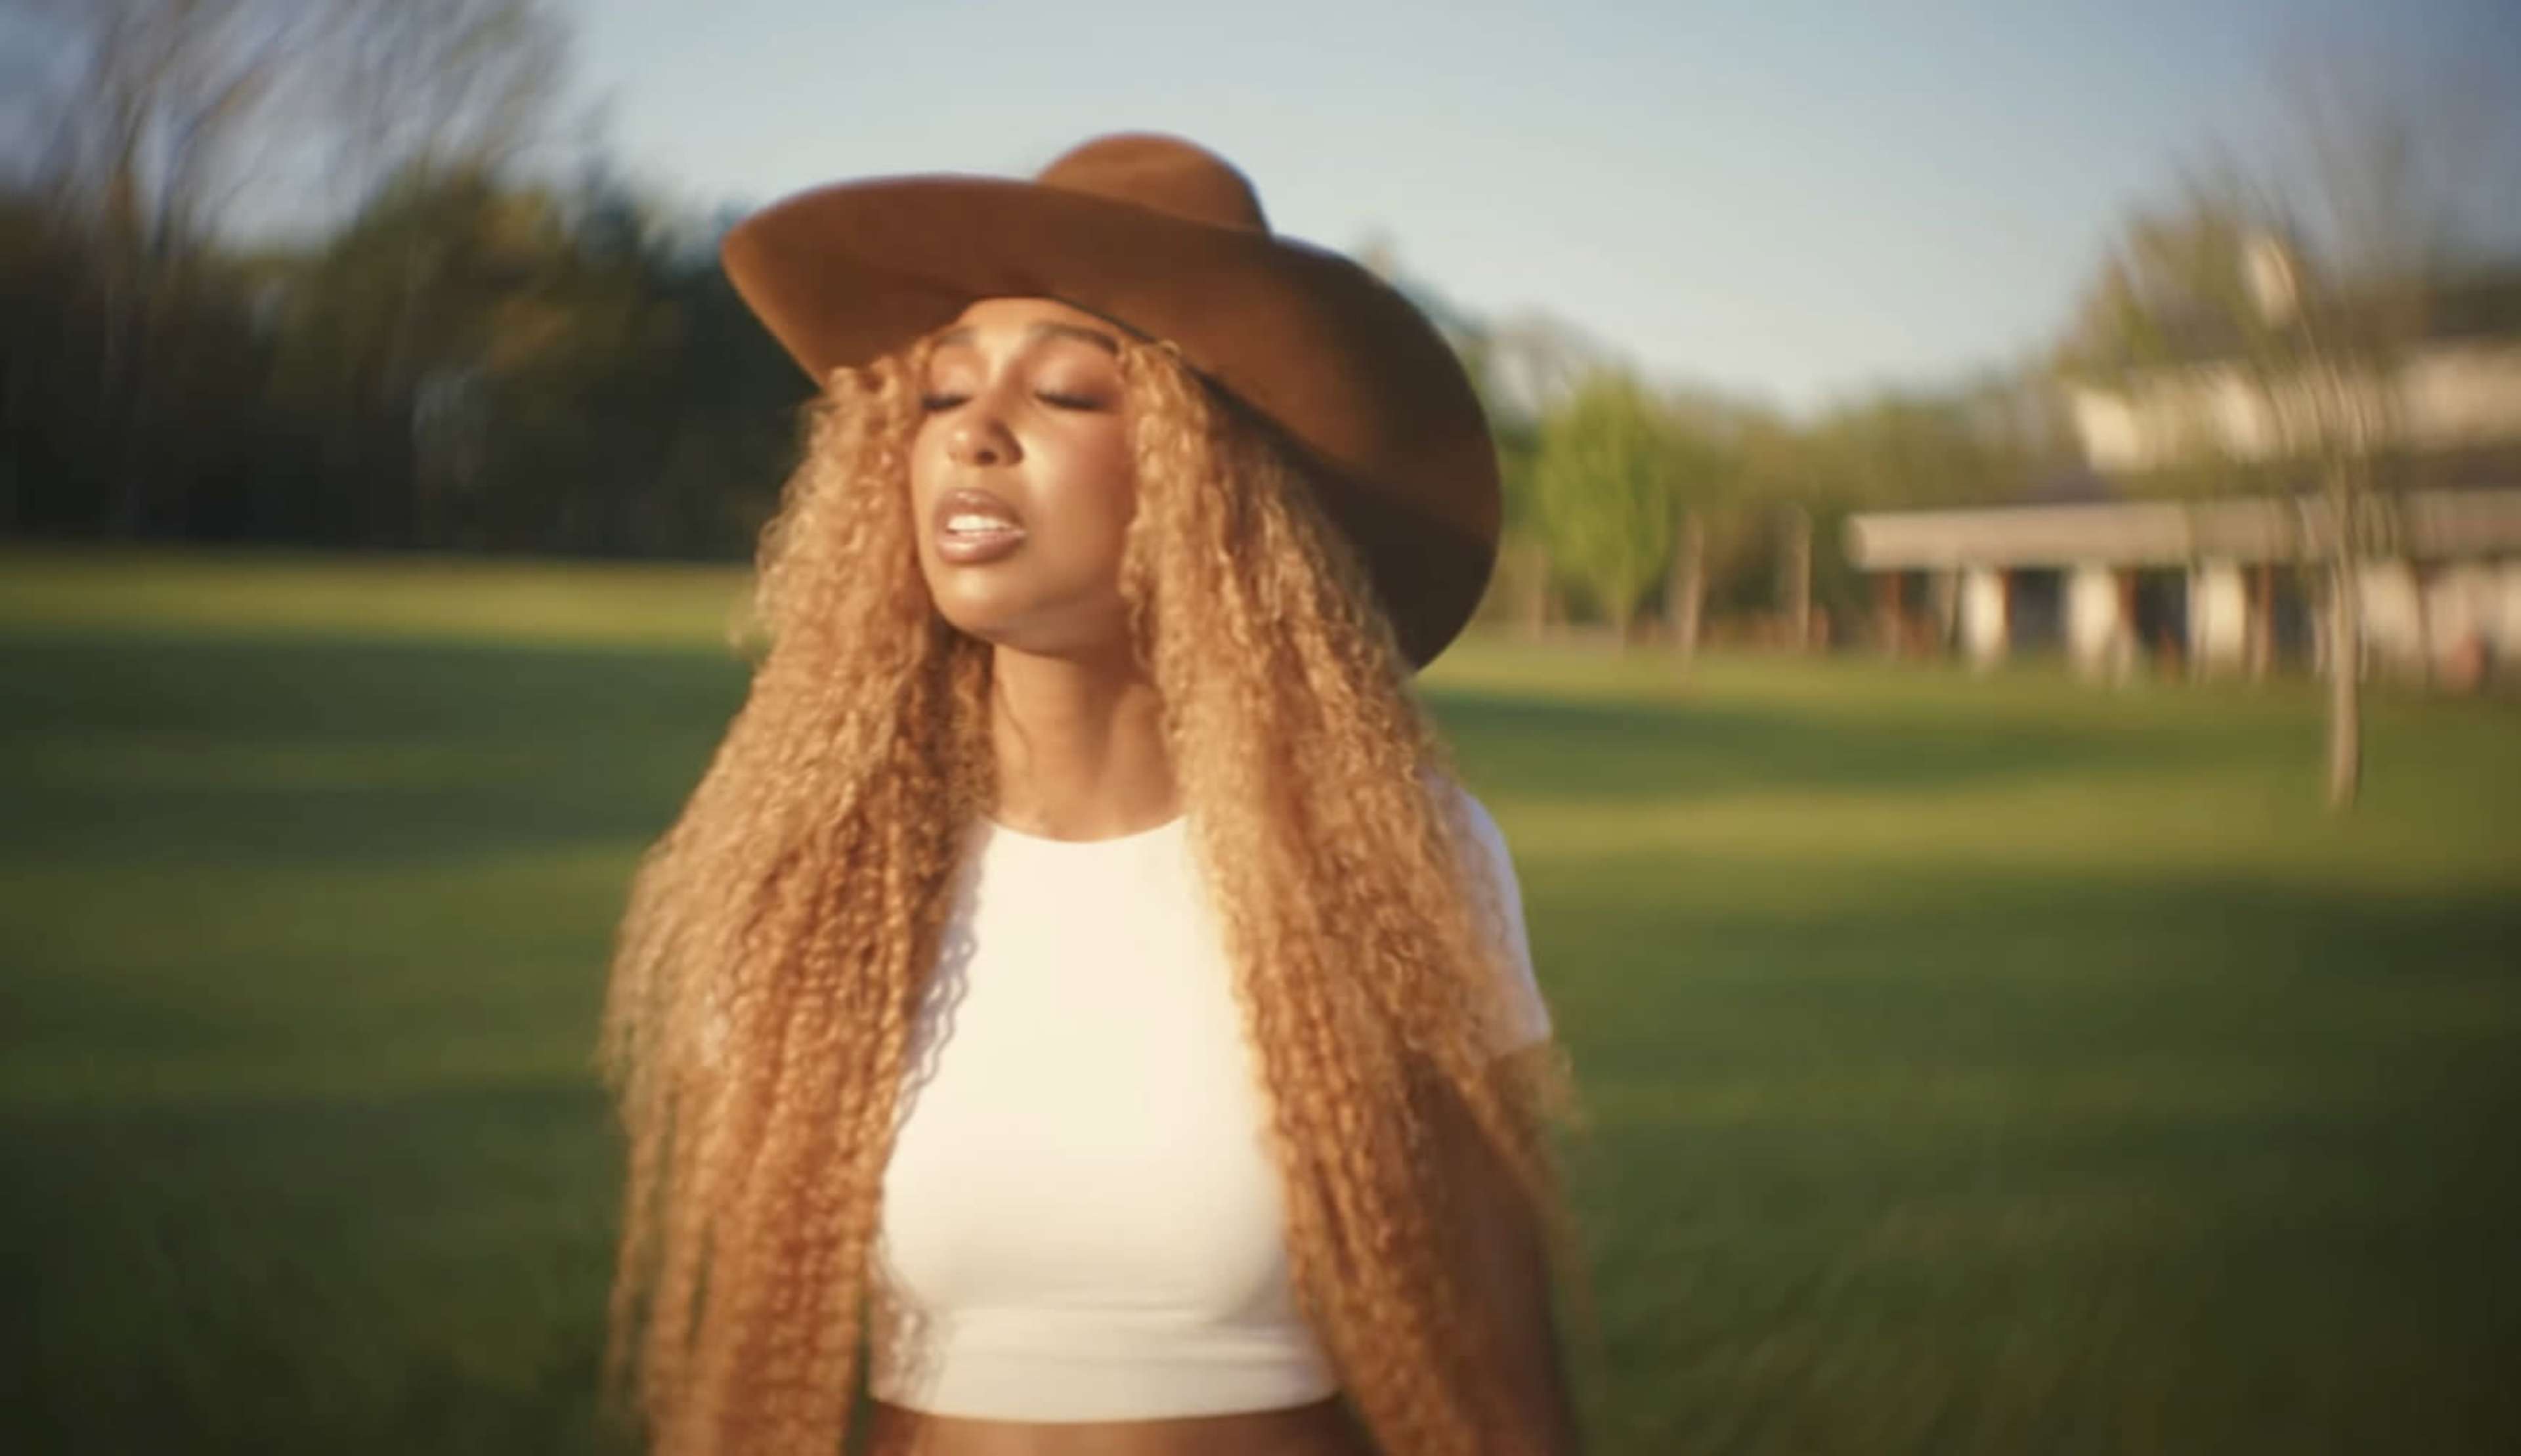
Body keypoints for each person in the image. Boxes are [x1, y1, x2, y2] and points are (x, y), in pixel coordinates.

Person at [596, 132, 1591, 1456]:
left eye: (1067, 393)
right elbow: (747, 1397)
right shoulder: (814, 876)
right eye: (942, 395)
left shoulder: (1394, 854)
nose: (976, 436)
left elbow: (1500, 1391)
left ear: (1209, 480)